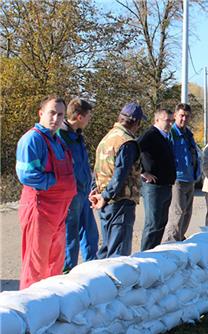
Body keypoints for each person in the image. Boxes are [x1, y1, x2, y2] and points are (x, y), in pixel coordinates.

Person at [16, 95, 77, 289]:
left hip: (59, 210)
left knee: (55, 263)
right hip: (39, 209)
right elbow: (27, 175)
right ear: (41, 113)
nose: (55, 118)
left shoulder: (58, 140)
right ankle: (30, 310)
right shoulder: (32, 140)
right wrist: (56, 182)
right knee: (36, 265)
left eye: (60, 114)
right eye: (51, 113)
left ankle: (50, 304)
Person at [90, 102, 145, 259]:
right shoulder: (127, 142)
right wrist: (107, 195)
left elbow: (97, 168)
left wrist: (96, 192)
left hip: (104, 201)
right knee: (118, 253)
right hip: (120, 200)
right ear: (136, 122)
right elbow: (120, 174)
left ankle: (99, 281)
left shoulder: (106, 139)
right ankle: (116, 283)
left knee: (106, 248)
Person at [57, 98, 99, 272]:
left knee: (90, 233)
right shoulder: (61, 136)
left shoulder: (78, 135)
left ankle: (91, 268)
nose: (90, 119)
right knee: (70, 235)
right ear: (80, 116)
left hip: (84, 191)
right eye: (88, 115)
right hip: (70, 193)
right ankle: (68, 271)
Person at [162, 103, 202, 242]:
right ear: (175, 116)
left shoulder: (188, 134)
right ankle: (170, 242)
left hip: (190, 178)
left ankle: (180, 239)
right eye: (181, 115)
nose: (184, 119)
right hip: (177, 179)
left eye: (187, 116)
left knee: (187, 213)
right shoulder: (171, 133)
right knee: (177, 213)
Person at [138, 108, 176, 251]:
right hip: (153, 186)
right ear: (157, 120)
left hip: (166, 184)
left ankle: (154, 252)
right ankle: (145, 255)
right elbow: (133, 150)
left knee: (161, 222)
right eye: (167, 120)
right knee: (153, 223)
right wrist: (142, 172)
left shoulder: (165, 136)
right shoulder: (150, 135)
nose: (170, 123)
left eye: (172, 120)